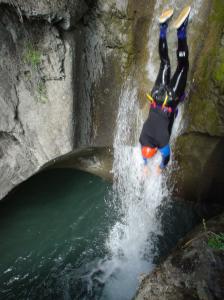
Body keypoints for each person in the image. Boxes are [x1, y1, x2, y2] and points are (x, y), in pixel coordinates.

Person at [139, 6, 191, 173]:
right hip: (156, 95)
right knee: (165, 63)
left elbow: (166, 158)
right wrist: (144, 164)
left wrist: (160, 167)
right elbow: (144, 153)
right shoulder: (143, 137)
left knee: (183, 66)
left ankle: (182, 30)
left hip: (170, 98)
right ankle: (162, 28)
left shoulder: (162, 141)